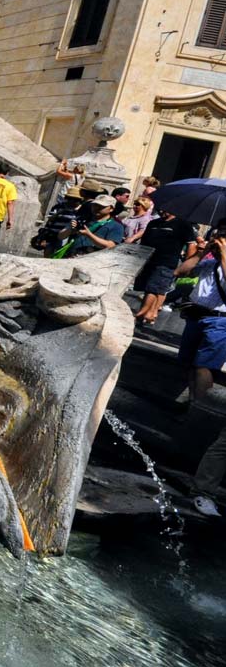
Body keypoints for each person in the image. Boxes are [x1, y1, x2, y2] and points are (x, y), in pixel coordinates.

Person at [175, 222, 226, 516]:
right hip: (196, 315)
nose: (218, 239)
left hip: (220, 319)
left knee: (204, 365)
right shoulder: (208, 259)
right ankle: (194, 402)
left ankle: (202, 408)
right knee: (187, 363)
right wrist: (204, 252)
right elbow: (182, 272)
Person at [135, 210, 195, 325]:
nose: (161, 211)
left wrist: (188, 262)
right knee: (153, 288)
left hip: (167, 262)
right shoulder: (153, 223)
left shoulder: (183, 225)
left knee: (152, 288)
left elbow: (191, 244)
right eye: (160, 208)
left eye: (165, 209)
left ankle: (141, 314)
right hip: (149, 260)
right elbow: (144, 242)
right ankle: (150, 313)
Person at [57, 194, 124, 256]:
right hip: (70, 257)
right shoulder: (82, 220)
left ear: (111, 209)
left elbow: (110, 246)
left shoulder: (116, 226)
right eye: (95, 205)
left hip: (93, 262)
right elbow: (60, 236)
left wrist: (89, 235)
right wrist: (70, 229)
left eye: (101, 206)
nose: (96, 208)